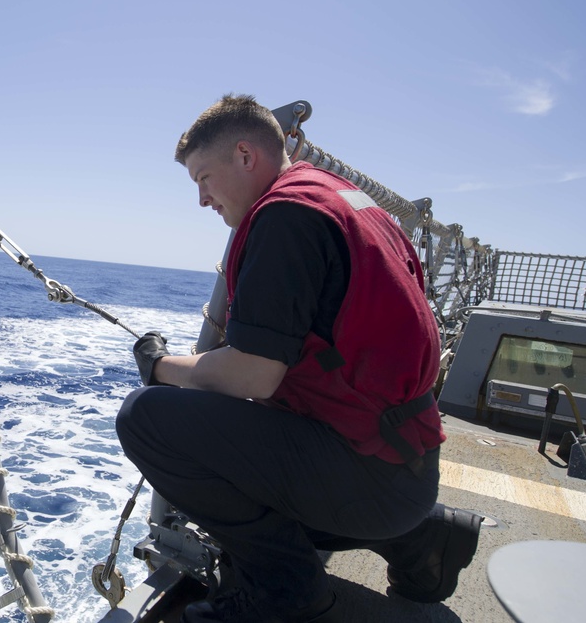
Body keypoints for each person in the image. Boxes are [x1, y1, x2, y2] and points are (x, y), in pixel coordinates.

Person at [116, 94, 482, 623]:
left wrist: (158, 366)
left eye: (203, 178)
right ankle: (421, 537)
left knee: (145, 417)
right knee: (248, 479)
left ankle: (285, 596)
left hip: (372, 473)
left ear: (245, 155)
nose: (201, 198)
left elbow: (252, 375)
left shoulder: (284, 219)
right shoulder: (341, 198)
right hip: (404, 463)